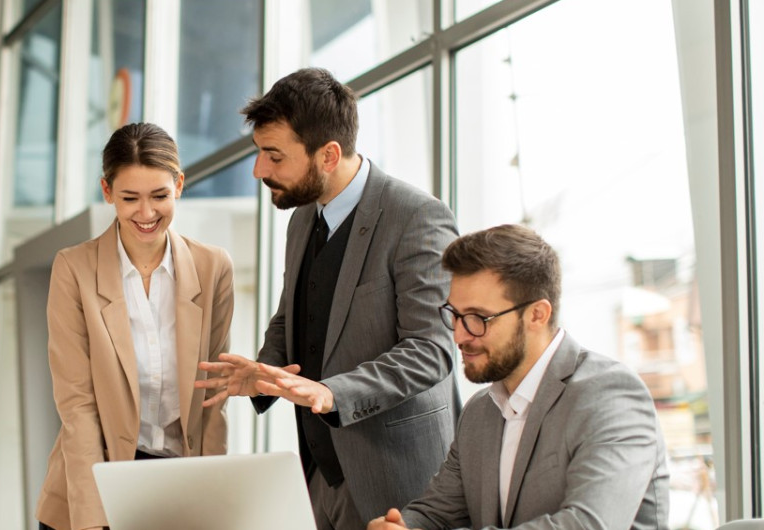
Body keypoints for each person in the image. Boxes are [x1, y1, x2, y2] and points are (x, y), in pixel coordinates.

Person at [196, 67, 459, 527]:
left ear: (329, 155)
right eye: (259, 154)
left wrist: (331, 393)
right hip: (321, 476)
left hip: (400, 481)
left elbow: (431, 351)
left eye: (274, 157)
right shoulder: (302, 219)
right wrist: (265, 372)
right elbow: (292, 315)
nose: (260, 171)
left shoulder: (417, 216)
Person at [368, 224, 669, 529]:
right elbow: (436, 512)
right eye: (455, 314)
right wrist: (402, 526)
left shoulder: (611, 396)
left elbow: (587, 524)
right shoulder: (478, 412)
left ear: (538, 314)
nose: (459, 334)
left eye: (477, 318)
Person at [35, 123, 235, 530]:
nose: (146, 214)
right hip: (97, 483)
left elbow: (216, 397)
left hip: (180, 487)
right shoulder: (73, 269)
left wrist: (214, 504)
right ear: (107, 192)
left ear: (179, 184)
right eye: (130, 198)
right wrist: (92, 522)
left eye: (160, 196)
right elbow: (78, 406)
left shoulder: (213, 267)